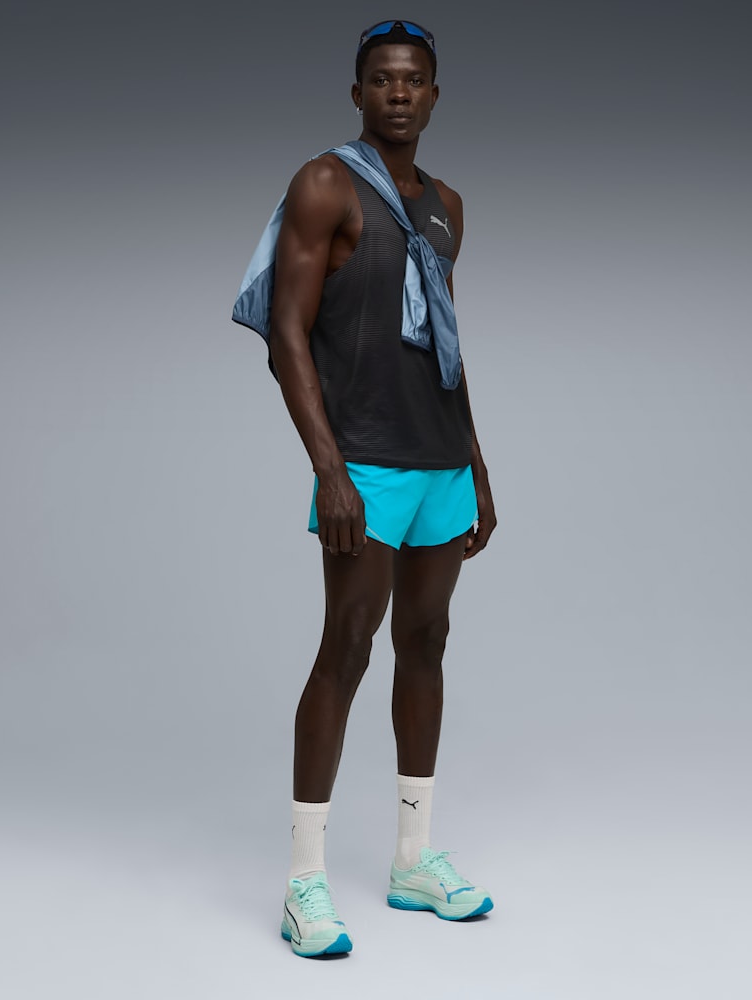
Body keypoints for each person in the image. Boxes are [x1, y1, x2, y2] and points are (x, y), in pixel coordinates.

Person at [233, 19, 497, 958]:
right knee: (346, 648)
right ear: (357, 93)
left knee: (426, 643)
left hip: (440, 462)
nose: (398, 92)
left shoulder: (448, 205)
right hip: (367, 465)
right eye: (382, 79)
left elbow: (446, 344)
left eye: (414, 80)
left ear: (434, 96)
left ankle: (413, 860)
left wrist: (479, 466)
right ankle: (304, 882)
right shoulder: (325, 183)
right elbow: (285, 333)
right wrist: (330, 468)